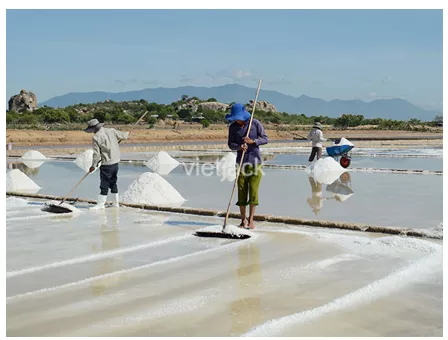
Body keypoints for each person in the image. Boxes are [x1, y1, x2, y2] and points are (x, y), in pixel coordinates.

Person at [227, 103, 268, 229]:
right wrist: (239, 147)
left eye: (238, 118)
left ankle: (251, 220)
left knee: (253, 192)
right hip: (241, 164)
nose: (237, 120)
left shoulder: (254, 123)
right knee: (241, 191)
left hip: (255, 163)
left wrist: (253, 142)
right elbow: (230, 144)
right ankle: (243, 220)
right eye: (235, 118)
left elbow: (265, 139)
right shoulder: (233, 127)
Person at [84, 119, 129, 209]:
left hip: (107, 164)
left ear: (93, 129)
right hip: (115, 162)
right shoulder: (111, 131)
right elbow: (124, 136)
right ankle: (115, 203)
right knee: (113, 182)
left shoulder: (96, 137)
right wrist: (127, 132)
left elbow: (96, 154)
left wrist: (93, 165)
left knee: (104, 184)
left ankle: (101, 204)